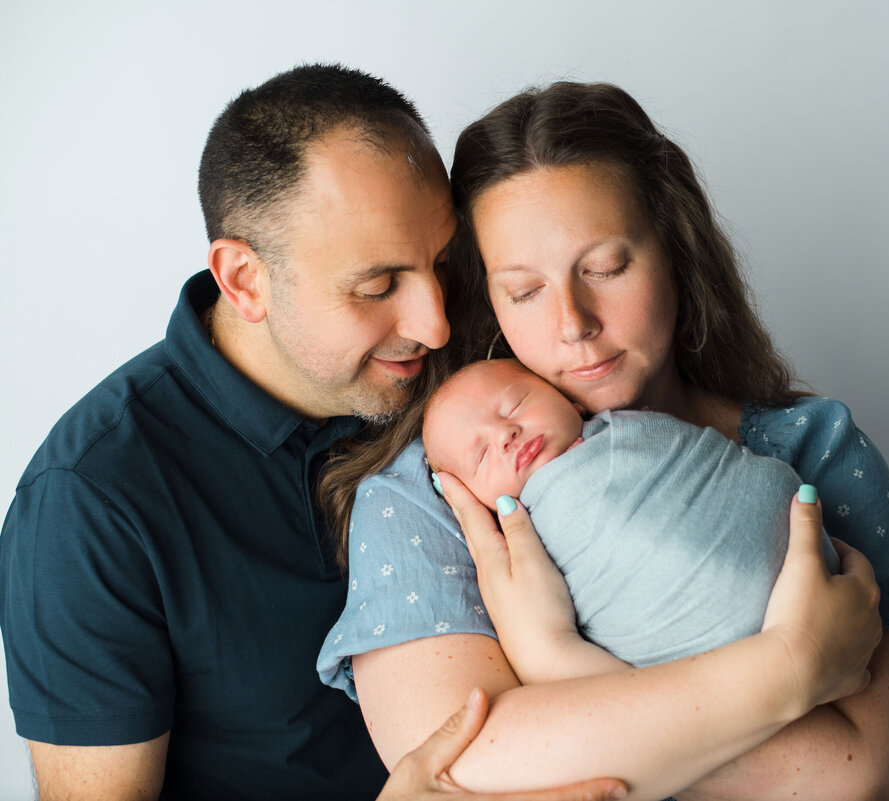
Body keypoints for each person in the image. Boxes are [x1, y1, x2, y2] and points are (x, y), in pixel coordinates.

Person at [0, 64, 630, 801]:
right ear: (245, 280)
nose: (434, 321)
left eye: (441, 262)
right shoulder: (91, 503)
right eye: (377, 286)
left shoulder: (478, 354)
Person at [318, 81, 889, 800]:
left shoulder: (815, 449)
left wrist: (562, 694)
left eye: (606, 268)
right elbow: (462, 757)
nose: (573, 321)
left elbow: (849, 775)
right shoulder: (435, 495)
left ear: (677, 252)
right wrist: (791, 670)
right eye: (524, 290)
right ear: (488, 300)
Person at [419, 357, 843, 671]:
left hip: (805, 562)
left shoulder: (627, 424)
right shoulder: (523, 545)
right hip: (707, 657)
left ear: (565, 397)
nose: (505, 434)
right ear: (473, 500)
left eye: (514, 405)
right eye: (481, 455)